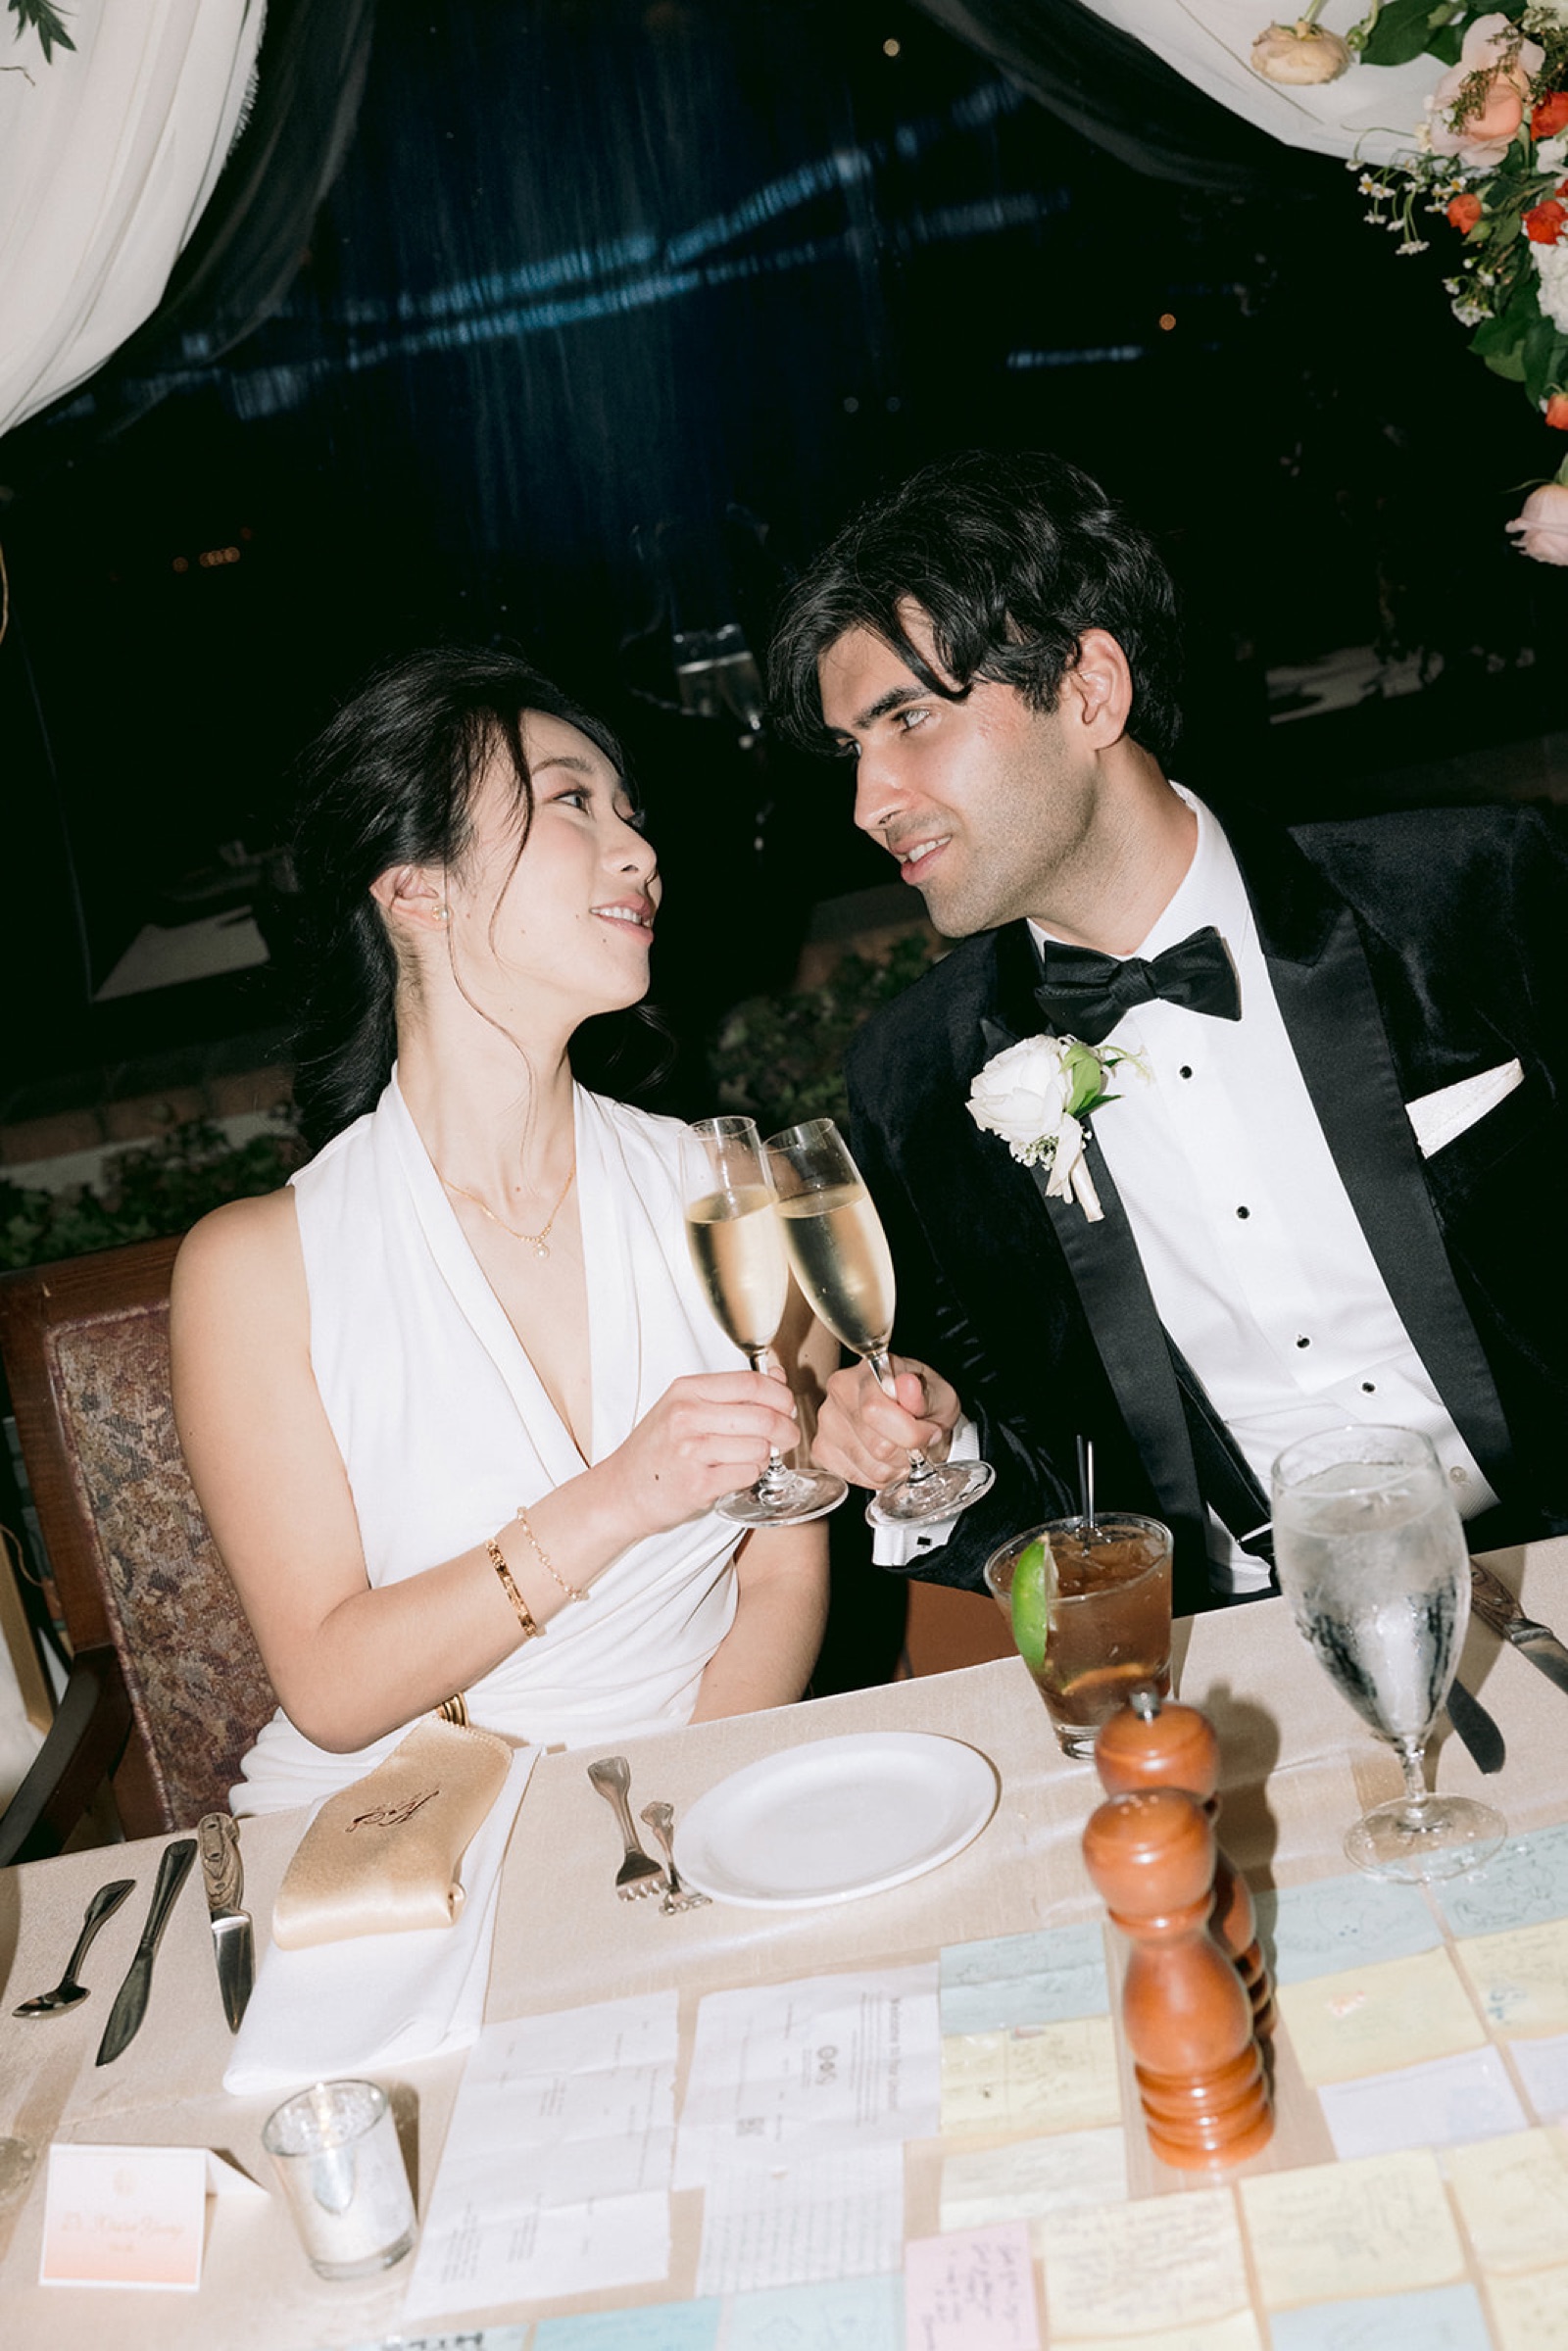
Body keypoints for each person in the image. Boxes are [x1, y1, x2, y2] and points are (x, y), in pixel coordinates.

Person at [770, 450, 1568, 1616]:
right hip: (1247, 1634)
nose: (868, 801)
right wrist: (935, 1445)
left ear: (1090, 689)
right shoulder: (917, 1080)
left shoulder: (1471, 898)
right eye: (855, 748)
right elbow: (1058, 1501)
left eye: (910, 719)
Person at [172, 647, 830, 1812]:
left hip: (691, 1794)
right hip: (392, 1828)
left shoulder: (737, 1193)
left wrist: (687, 1807)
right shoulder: (257, 1268)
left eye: (630, 812)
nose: (640, 850)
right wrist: (620, 1496)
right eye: (572, 800)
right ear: (414, 889)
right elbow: (331, 1685)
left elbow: (781, 1565)